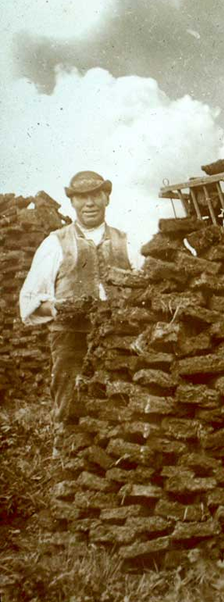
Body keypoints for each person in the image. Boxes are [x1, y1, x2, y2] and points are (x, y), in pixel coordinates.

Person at [19, 171, 142, 424]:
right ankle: (62, 457)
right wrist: (57, 308)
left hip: (119, 337)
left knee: (120, 408)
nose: (90, 203)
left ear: (106, 198)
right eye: (82, 197)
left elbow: (146, 285)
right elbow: (29, 303)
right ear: (72, 202)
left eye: (96, 195)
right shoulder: (55, 243)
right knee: (69, 406)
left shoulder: (126, 241)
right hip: (71, 339)